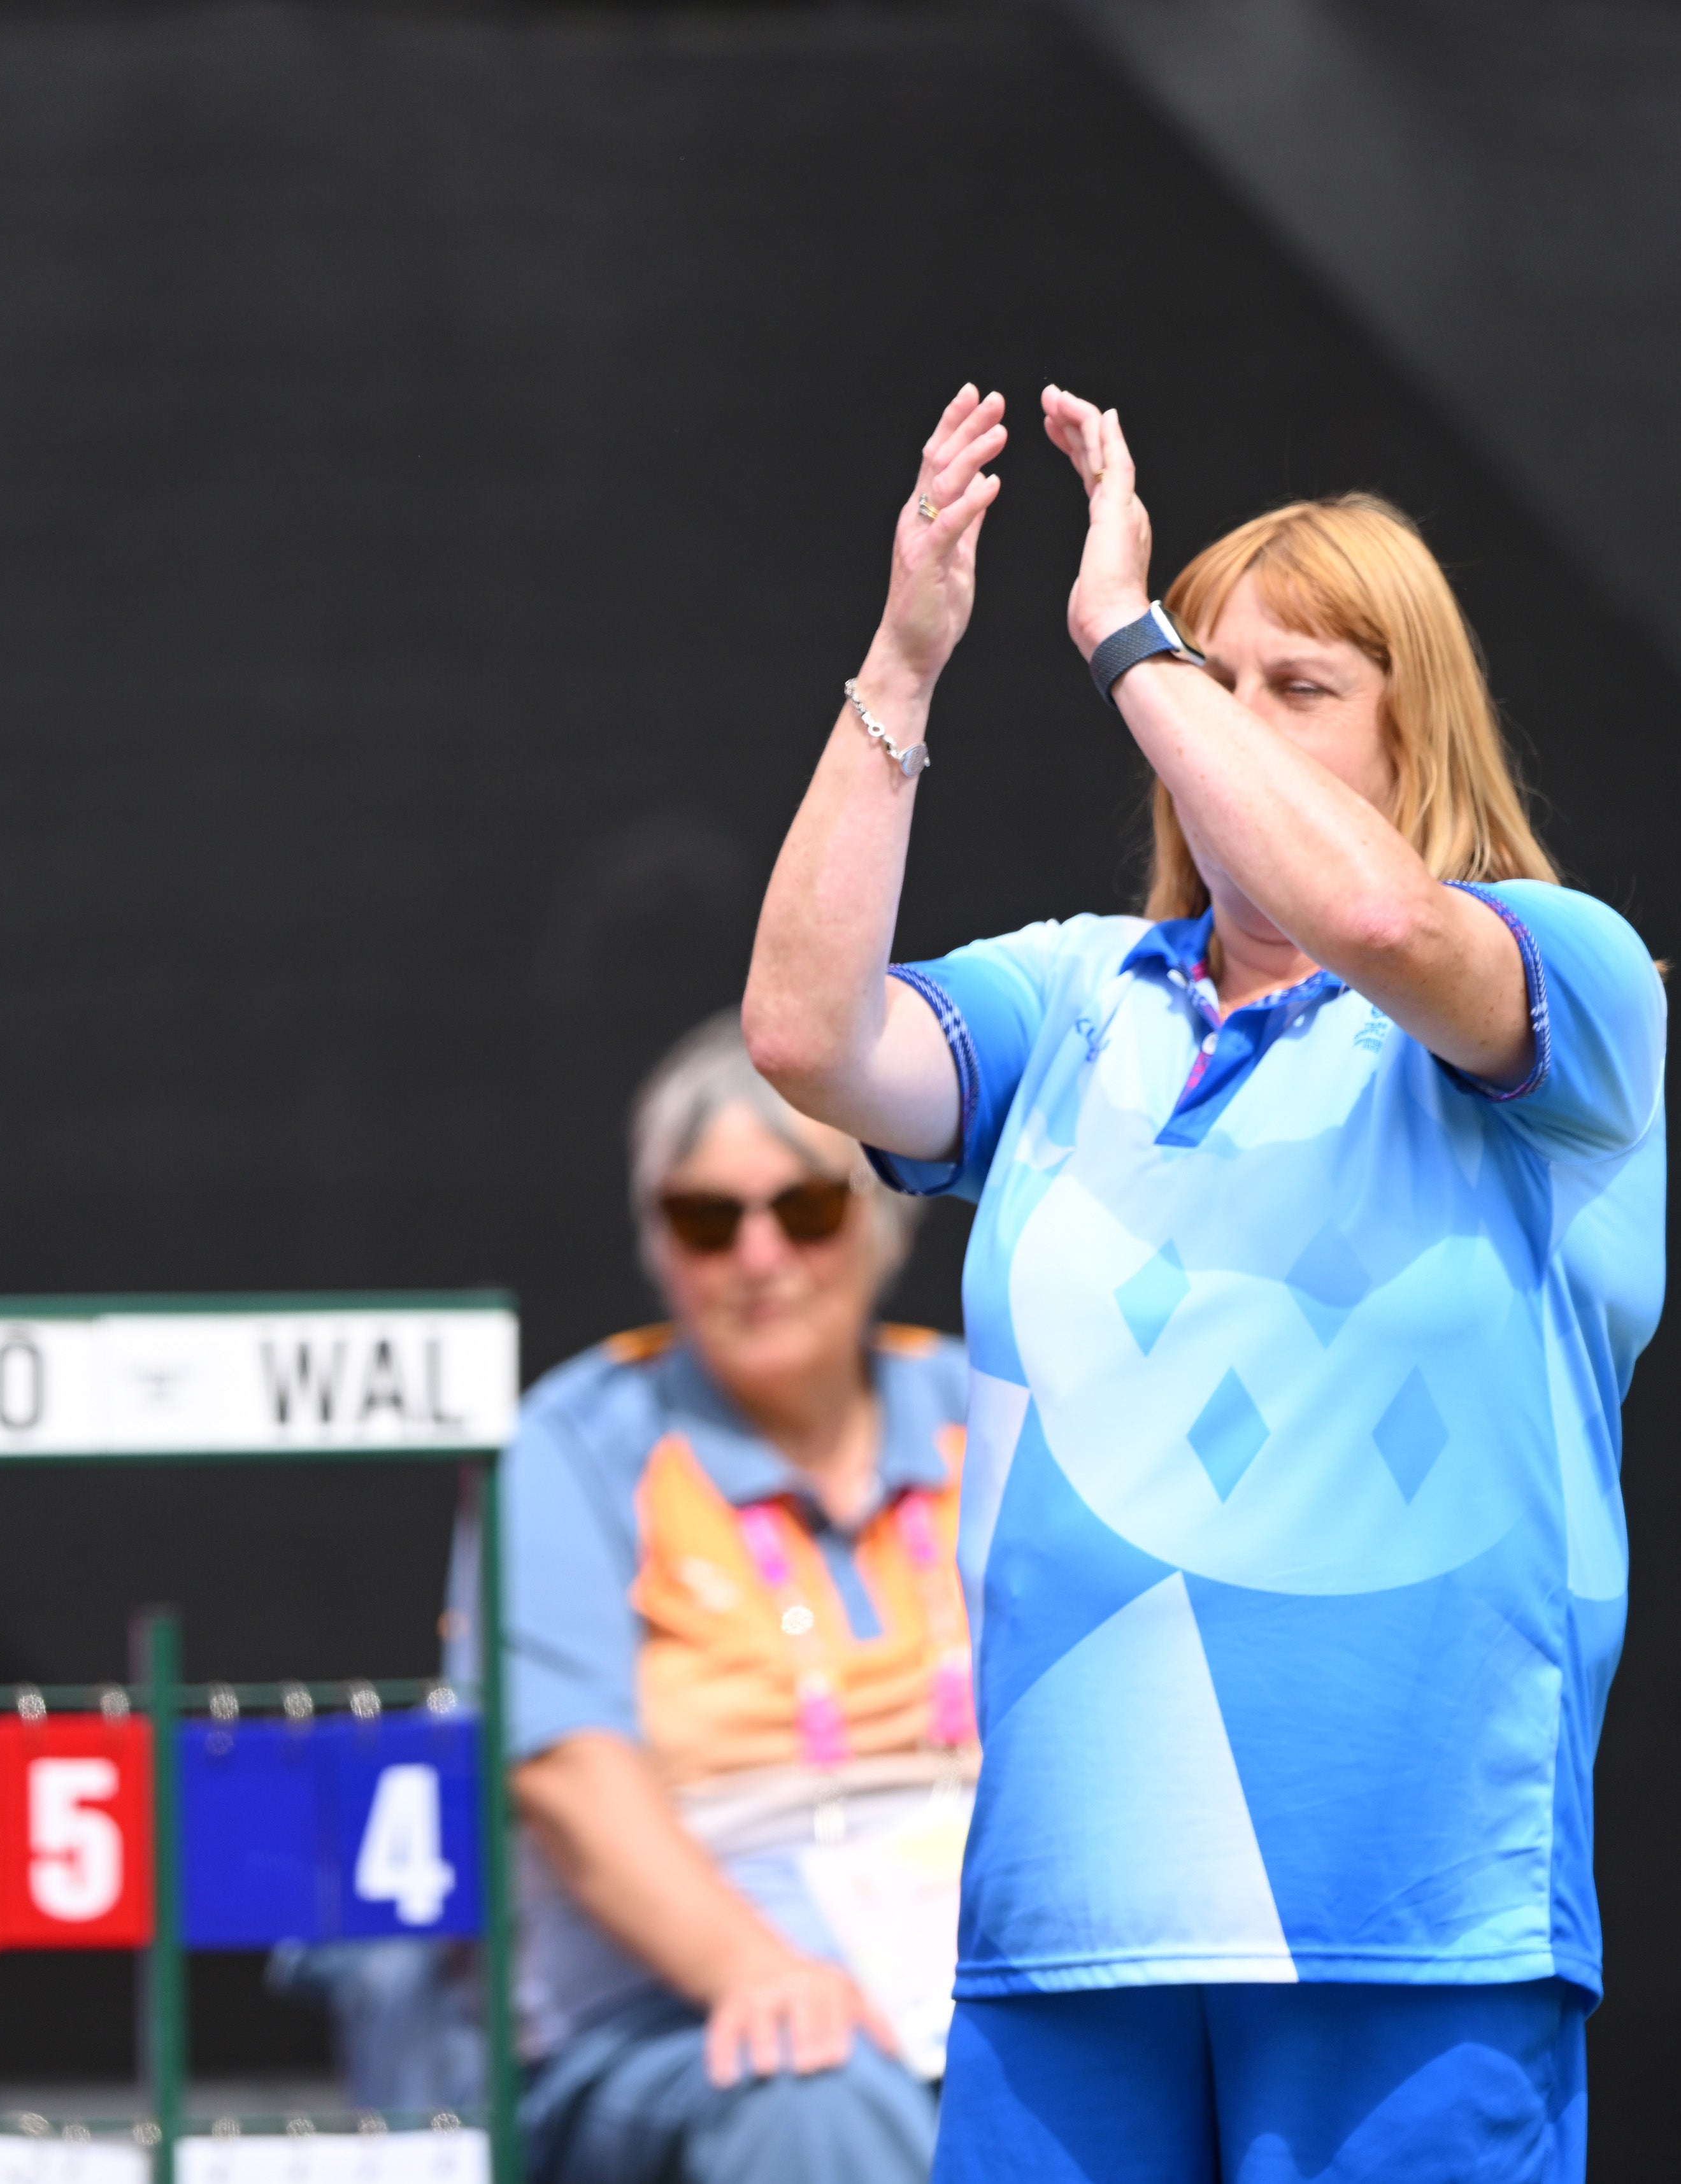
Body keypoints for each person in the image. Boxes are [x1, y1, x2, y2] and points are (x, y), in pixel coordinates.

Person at [745, 385, 1664, 2182]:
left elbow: (1390, 927)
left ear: (1419, 746)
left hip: (1412, 1918)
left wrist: (1125, 637)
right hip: (1069, 1923)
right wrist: (906, 659)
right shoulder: (1076, 991)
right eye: (1204, 681)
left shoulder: (1578, 972)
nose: (1216, 723)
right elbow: (803, 1033)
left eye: (1296, 687)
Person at [483, 1014, 972, 2184]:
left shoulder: (980, 1409)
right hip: (689, 2016)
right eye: (710, 1221)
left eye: (804, 1209)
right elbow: (565, 1768)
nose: (761, 1258)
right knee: (814, 2091)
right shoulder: (578, 1441)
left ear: (881, 1220)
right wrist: (756, 1967)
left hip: (976, 1981)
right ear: (659, 1244)